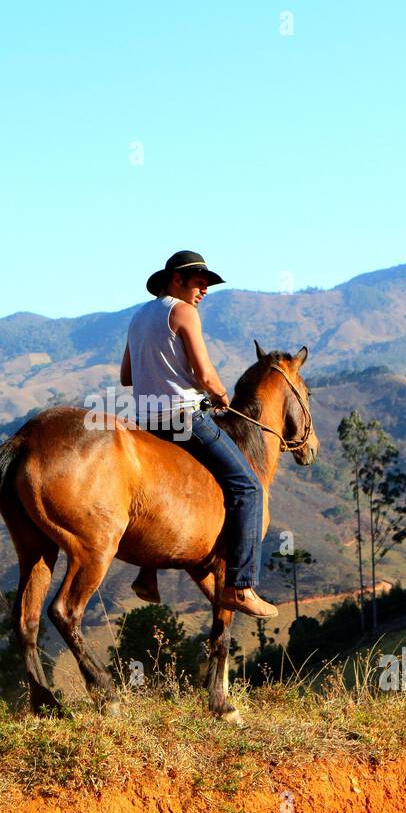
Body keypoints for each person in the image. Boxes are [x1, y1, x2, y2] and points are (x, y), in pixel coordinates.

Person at [119, 250, 278, 619]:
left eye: (206, 285)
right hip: (185, 418)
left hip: (147, 423)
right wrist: (221, 396)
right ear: (176, 280)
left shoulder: (138, 316)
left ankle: (147, 574)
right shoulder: (183, 312)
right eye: (199, 283)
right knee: (249, 487)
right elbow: (206, 376)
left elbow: (126, 377)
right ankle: (241, 587)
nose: (204, 291)